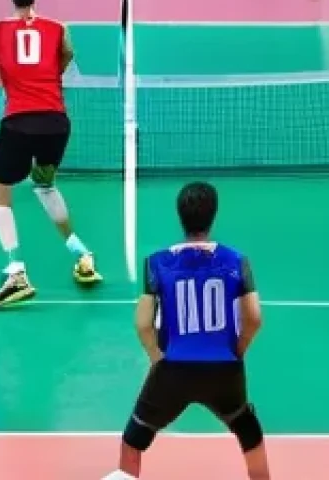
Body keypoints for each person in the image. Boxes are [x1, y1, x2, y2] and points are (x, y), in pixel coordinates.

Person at [102, 182, 269, 480]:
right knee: (249, 431)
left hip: (173, 370)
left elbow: (143, 323)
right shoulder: (237, 261)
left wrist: (157, 358)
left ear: (180, 216)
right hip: (225, 370)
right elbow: (254, 318)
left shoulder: (156, 263)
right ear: (213, 215)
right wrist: (238, 349)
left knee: (133, 441)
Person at [0, 0, 101, 309]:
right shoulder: (59, 28)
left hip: (18, 123)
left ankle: (16, 272)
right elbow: (66, 56)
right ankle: (82, 254)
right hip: (56, 123)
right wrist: (45, 75)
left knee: (1, 194)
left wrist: (16, 82)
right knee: (45, 185)